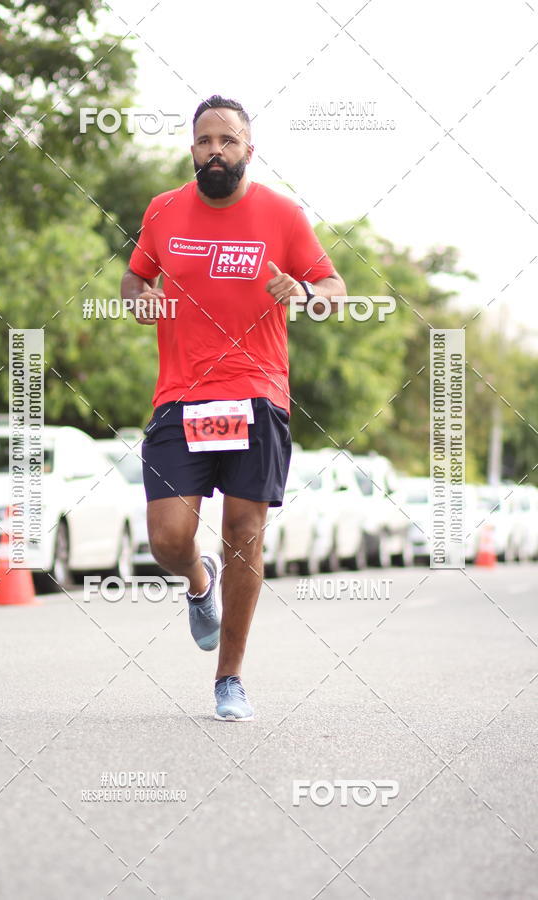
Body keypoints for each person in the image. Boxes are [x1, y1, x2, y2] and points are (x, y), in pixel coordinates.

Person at [120, 94, 346, 721]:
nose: (215, 150)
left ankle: (230, 679)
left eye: (228, 140)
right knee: (168, 538)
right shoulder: (163, 211)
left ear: (249, 149)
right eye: (204, 141)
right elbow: (136, 274)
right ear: (192, 149)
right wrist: (139, 297)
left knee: (245, 531)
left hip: (258, 391)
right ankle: (199, 582)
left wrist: (302, 289)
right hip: (182, 396)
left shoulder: (283, 214)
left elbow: (334, 290)